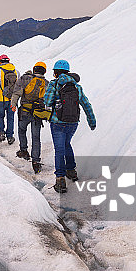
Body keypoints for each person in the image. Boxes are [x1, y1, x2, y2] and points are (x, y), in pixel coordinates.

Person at [44, 60, 95, 193]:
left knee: (59, 149)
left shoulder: (54, 84)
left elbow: (47, 101)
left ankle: (60, 179)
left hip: (58, 122)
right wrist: (91, 120)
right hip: (73, 122)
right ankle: (71, 171)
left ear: (56, 72)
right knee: (67, 144)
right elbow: (86, 104)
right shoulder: (77, 86)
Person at [10, 61, 48, 173]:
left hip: (25, 112)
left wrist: (13, 105)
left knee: (22, 130)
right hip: (38, 114)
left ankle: (23, 150)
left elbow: (16, 93)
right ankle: (36, 162)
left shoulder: (24, 79)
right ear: (44, 71)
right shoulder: (46, 83)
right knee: (36, 137)